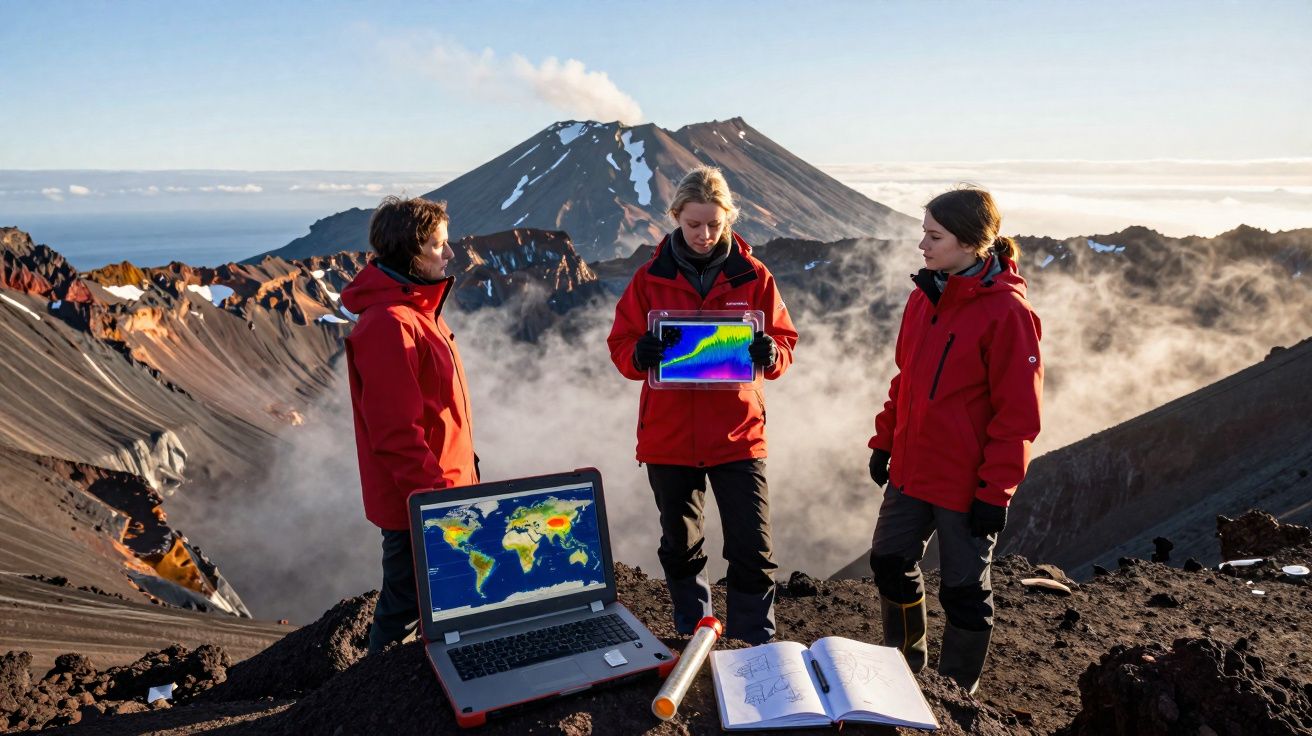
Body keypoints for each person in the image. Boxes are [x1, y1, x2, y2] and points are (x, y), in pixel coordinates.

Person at [607, 166, 798, 645]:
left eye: (715, 224)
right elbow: (621, 343)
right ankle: (696, 639)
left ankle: (753, 645)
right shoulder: (650, 278)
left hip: (738, 435)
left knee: (753, 550)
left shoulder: (753, 276)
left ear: (729, 218)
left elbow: (784, 341)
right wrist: (638, 354)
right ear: (674, 217)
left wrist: (771, 353)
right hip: (669, 439)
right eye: (694, 224)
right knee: (681, 547)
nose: (705, 234)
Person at [866, 187, 1042, 693]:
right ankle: (906, 672)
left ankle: (956, 695)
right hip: (913, 470)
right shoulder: (924, 298)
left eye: (934, 235)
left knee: (964, 593)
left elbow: (1019, 417)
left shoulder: (1008, 314)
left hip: (967, 486)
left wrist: (996, 493)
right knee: (889, 561)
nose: (922, 244)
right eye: (924, 232)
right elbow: (907, 380)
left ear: (969, 242)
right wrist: (885, 439)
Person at [341, 195, 478, 656]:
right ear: (412, 251)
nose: (450, 252)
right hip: (420, 502)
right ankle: (374, 700)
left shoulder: (417, 313)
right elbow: (396, 432)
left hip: (442, 491)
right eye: (440, 244)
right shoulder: (389, 325)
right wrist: (439, 506)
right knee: (404, 607)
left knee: (441, 601)